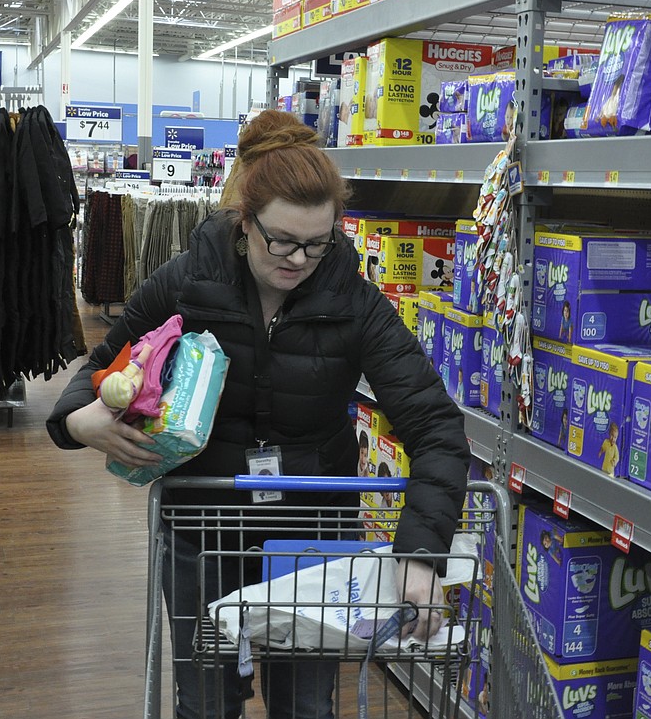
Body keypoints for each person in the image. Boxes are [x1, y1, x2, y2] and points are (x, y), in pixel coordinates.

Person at [46, 110, 471, 719]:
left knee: (305, 705)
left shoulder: (353, 302)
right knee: (207, 700)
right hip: (202, 533)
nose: (299, 259)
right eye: (282, 240)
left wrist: (420, 555)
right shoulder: (190, 281)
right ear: (244, 221)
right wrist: (78, 422)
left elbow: (436, 428)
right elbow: (100, 368)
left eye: (317, 244)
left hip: (312, 538)